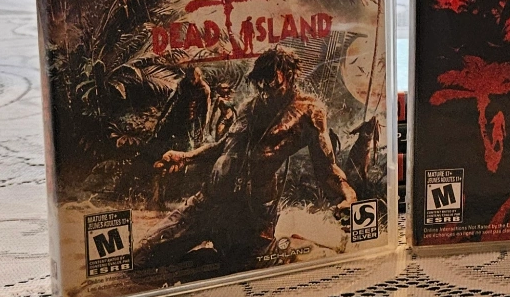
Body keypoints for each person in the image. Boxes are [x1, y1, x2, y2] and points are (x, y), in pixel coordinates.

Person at [133, 48, 358, 276]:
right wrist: (186, 156)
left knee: (240, 271)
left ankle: (222, 259)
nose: (265, 91)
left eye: (272, 84)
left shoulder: (309, 112)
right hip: (206, 204)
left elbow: (326, 168)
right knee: (140, 259)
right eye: (260, 84)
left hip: (249, 218)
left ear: (290, 76)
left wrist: (348, 194)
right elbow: (222, 146)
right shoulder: (249, 108)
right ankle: (212, 259)